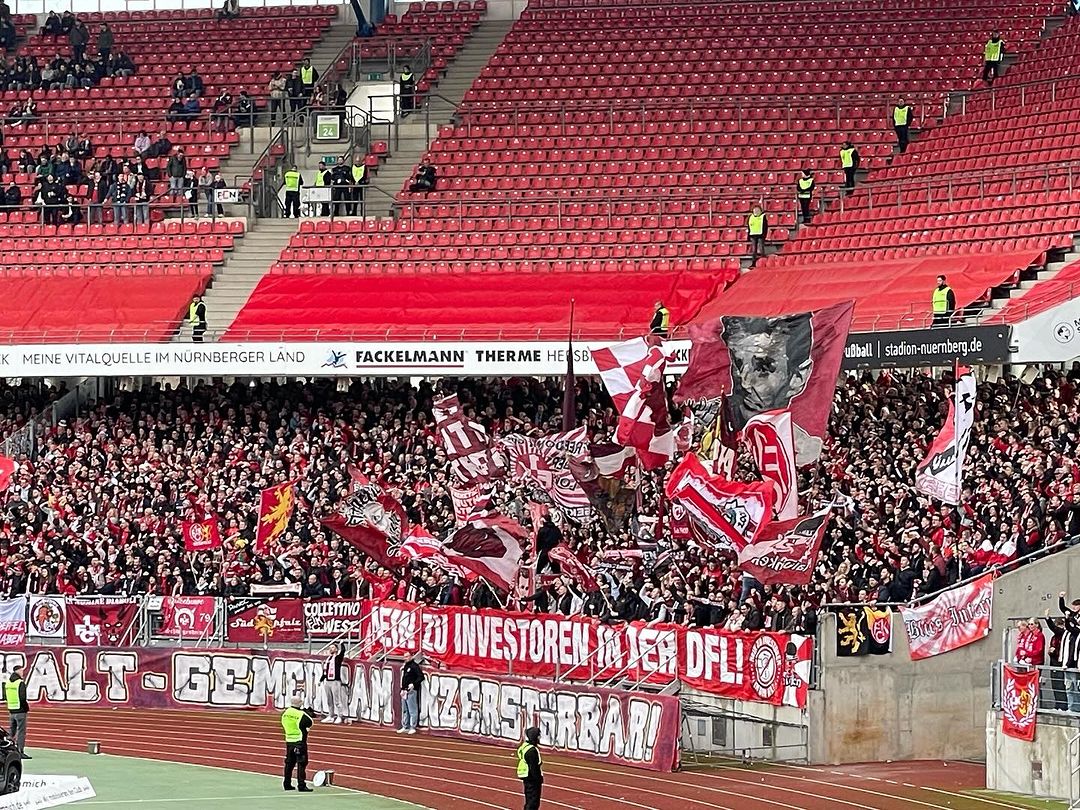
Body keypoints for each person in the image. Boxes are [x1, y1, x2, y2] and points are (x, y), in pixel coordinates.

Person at [281, 695, 313, 792]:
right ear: (300, 703)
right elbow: (310, 722)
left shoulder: (285, 713)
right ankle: (301, 785)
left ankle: (287, 784)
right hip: (299, 741)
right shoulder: (300, 714)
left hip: (289, 741)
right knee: (301, 764)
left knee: (289, 764)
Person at [1059, 592, 1080, 713]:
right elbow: (1063, 608)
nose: (1073, 609)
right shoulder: (1073, 616)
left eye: (1075, 607)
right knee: (1070, 687)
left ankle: (1075, 708)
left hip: (1076, 660)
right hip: (1070, 659)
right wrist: (1061, 598)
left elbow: (1073, 628)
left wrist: (1068, 620)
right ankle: (1072, 708)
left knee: (1075, 687)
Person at [319, 643, 347, 724]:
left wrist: (342, 644)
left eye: (332, 647)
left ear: (336, 649)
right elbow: (325, 671)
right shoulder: (328, 659)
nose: (331, 649)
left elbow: (343, 651)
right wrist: (321, 679)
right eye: (330, 647)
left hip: (335, 681)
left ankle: (339, 716)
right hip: (327, 681)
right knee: (329, 700)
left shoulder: (338, 658)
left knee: (337, 700)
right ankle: (331, 715)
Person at [516, 726, 543, 810]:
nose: (539, 738)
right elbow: (534, 768)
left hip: (526, 777)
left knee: (529, 800)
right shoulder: (532, 751)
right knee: (533, 802)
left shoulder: (525, 746)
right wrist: (539, 779)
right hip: (532, 779)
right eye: (538, 736)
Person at [5, 667, 29, 759]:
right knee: (21, 731)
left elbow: (5, 695)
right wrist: (26, 708)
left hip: (11, 709)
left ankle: (7, 749)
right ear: (17, 671)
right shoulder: (20, 683)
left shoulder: (8, 683)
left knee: (11, 731)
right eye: (21, 671)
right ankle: (20, 751)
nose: (22, 672)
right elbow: (22, 698)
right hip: (20, 710)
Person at [398, 652, 423, 734]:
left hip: (411, 691)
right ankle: (406, 726)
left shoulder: (414, 666)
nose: (406, 658)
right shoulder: (406, 666)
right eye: (404, 656)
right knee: (405, 709)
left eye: (407, 656)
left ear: (411, 656)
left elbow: (421, 677)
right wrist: (402, 688)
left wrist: (414, 684)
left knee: (412, 709)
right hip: (404, 691)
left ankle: (413, 726)